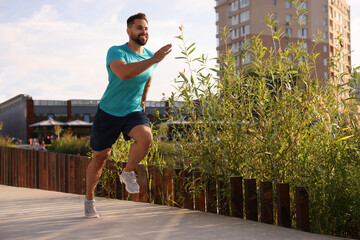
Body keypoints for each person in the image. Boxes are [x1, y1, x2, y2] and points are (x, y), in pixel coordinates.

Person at [84, 13, 172, 218]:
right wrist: (154, 59)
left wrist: (143, 101)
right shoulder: (116, 51)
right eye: (139, 28)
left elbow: (147, 79)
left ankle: (128, 171)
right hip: (109, 111)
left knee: (146, 137)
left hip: (132, 110)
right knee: (100, 158)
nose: (144, 32)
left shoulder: (150, 56)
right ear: (129, 30)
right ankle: (89, 199)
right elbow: (123, 73)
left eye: (146, 28)